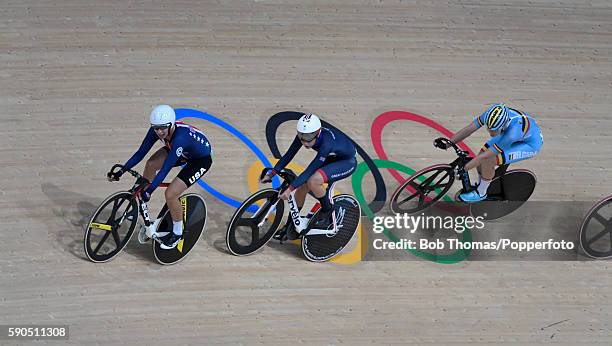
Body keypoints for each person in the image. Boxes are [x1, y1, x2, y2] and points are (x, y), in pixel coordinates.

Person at [107, 105, 213, 249]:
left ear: (171, 125)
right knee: (151, 164)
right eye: (156, 128)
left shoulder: (181, 138)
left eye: (163, 128)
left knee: (170, 194)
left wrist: (149, 191)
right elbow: (140, 153)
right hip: (181, 151)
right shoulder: (156, 131)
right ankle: (139, 203)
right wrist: (121, 171)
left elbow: (165, 170)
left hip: (200, 160)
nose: (159, 132)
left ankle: (177, 232)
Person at [260, 113, 357, 240]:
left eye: (309, 137)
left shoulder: (326, 143)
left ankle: (327, 210)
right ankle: (290, 226)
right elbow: (289, 154)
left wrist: (289, 189)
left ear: (318, 132)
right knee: (301, 189)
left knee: (313, 181)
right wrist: (272, 172)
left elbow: (309, 170)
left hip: (346, 162)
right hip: (332, 158)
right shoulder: (305, 135)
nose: (305, 141)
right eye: (301, 136)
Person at [434, 103, 543, 202]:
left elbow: (486, 157)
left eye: (494, 130)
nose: (491, 132)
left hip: (530, 144)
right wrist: (449, 143)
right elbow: (470, 129)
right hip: (517, 132)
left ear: (502, 125)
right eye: (489, 128)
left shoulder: (511, 134)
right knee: (482, 153)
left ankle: (481, 193)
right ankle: (484, 183)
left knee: (488, 160)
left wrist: (464, 168)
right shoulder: (490, 114)